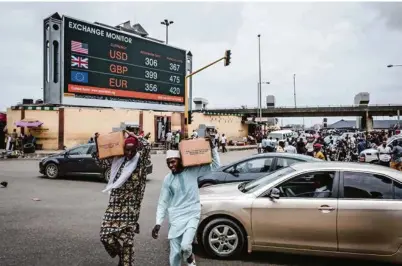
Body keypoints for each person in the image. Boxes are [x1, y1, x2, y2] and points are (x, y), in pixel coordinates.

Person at [152, 139, 220, 266]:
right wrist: (158, 223)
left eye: (173, 162)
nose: (171, 165)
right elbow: (163, 201)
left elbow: (215, 166)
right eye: (168, 163)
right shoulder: (168, 179)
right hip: (175, 216)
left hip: (192, 213)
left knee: (185, 247)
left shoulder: (192, 171)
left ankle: (189, 257)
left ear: (180, 160)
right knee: (175, 253)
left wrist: (213, 148)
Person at [93, 133, 151, 266]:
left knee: (127, 241)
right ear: (123, 148)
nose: (129, 152)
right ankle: (121, 254)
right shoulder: (117, 160)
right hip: (114, 204)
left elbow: (147, 146)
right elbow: (100, 161)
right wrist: (98, 143)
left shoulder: (140, 162)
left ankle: (126, 261)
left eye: (133, 149)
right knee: (105, 236)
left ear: (137, 149)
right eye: (127, 149)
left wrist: (134, 135)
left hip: (131, 208)